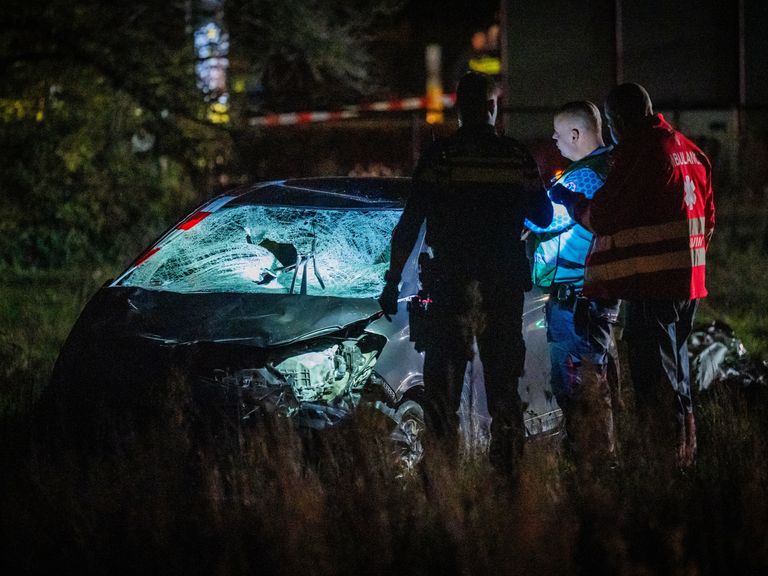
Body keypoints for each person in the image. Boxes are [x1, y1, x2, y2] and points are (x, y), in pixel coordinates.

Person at [378, 72, 552, 474]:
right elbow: (542, 214)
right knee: (504, 387)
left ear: (459, 111)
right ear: (494, 109)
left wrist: (391, 281)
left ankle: (442, 476)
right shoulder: (515, 156)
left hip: (450, 285)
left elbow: (409, 224)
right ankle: (508, 477)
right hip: (502, 287)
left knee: (443, 390)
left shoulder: (440, 158)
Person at [553, 83, 715, 467]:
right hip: (686, 283)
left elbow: (604, 216)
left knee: (654, 381)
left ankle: (661, 465)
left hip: (650, 284)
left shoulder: (640, 153)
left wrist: (570, 202)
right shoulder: (689, 150)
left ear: (617, 121)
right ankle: (684, 457)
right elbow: (709, 220)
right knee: (679, 377)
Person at [526, 101, 620, 464]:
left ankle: (592, 463)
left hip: (576, 301)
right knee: (593, 379)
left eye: (558, 132)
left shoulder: (583, 177)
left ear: (577, 135)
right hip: (593, 295)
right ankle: (597, 460)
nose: (553, 138)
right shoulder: (611, 167)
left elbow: (540, 220)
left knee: (578, 385)